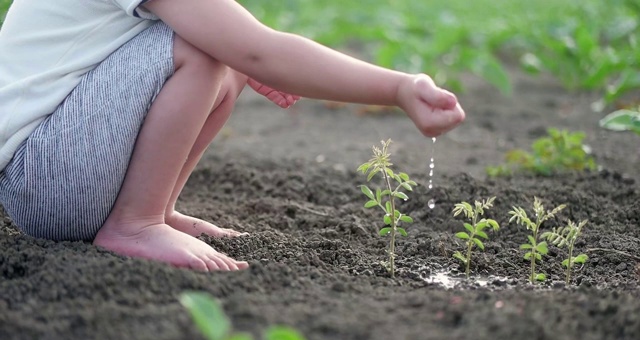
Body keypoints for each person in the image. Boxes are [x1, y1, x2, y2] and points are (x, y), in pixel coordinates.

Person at [0, 0, 465, 272]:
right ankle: (134, 223)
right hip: (45, 179)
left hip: (52, 177)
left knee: (224, 55)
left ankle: (155, 211)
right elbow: (259, 51)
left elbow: (254, 47)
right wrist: (399, 88)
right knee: (207, 52)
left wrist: (244, 56)